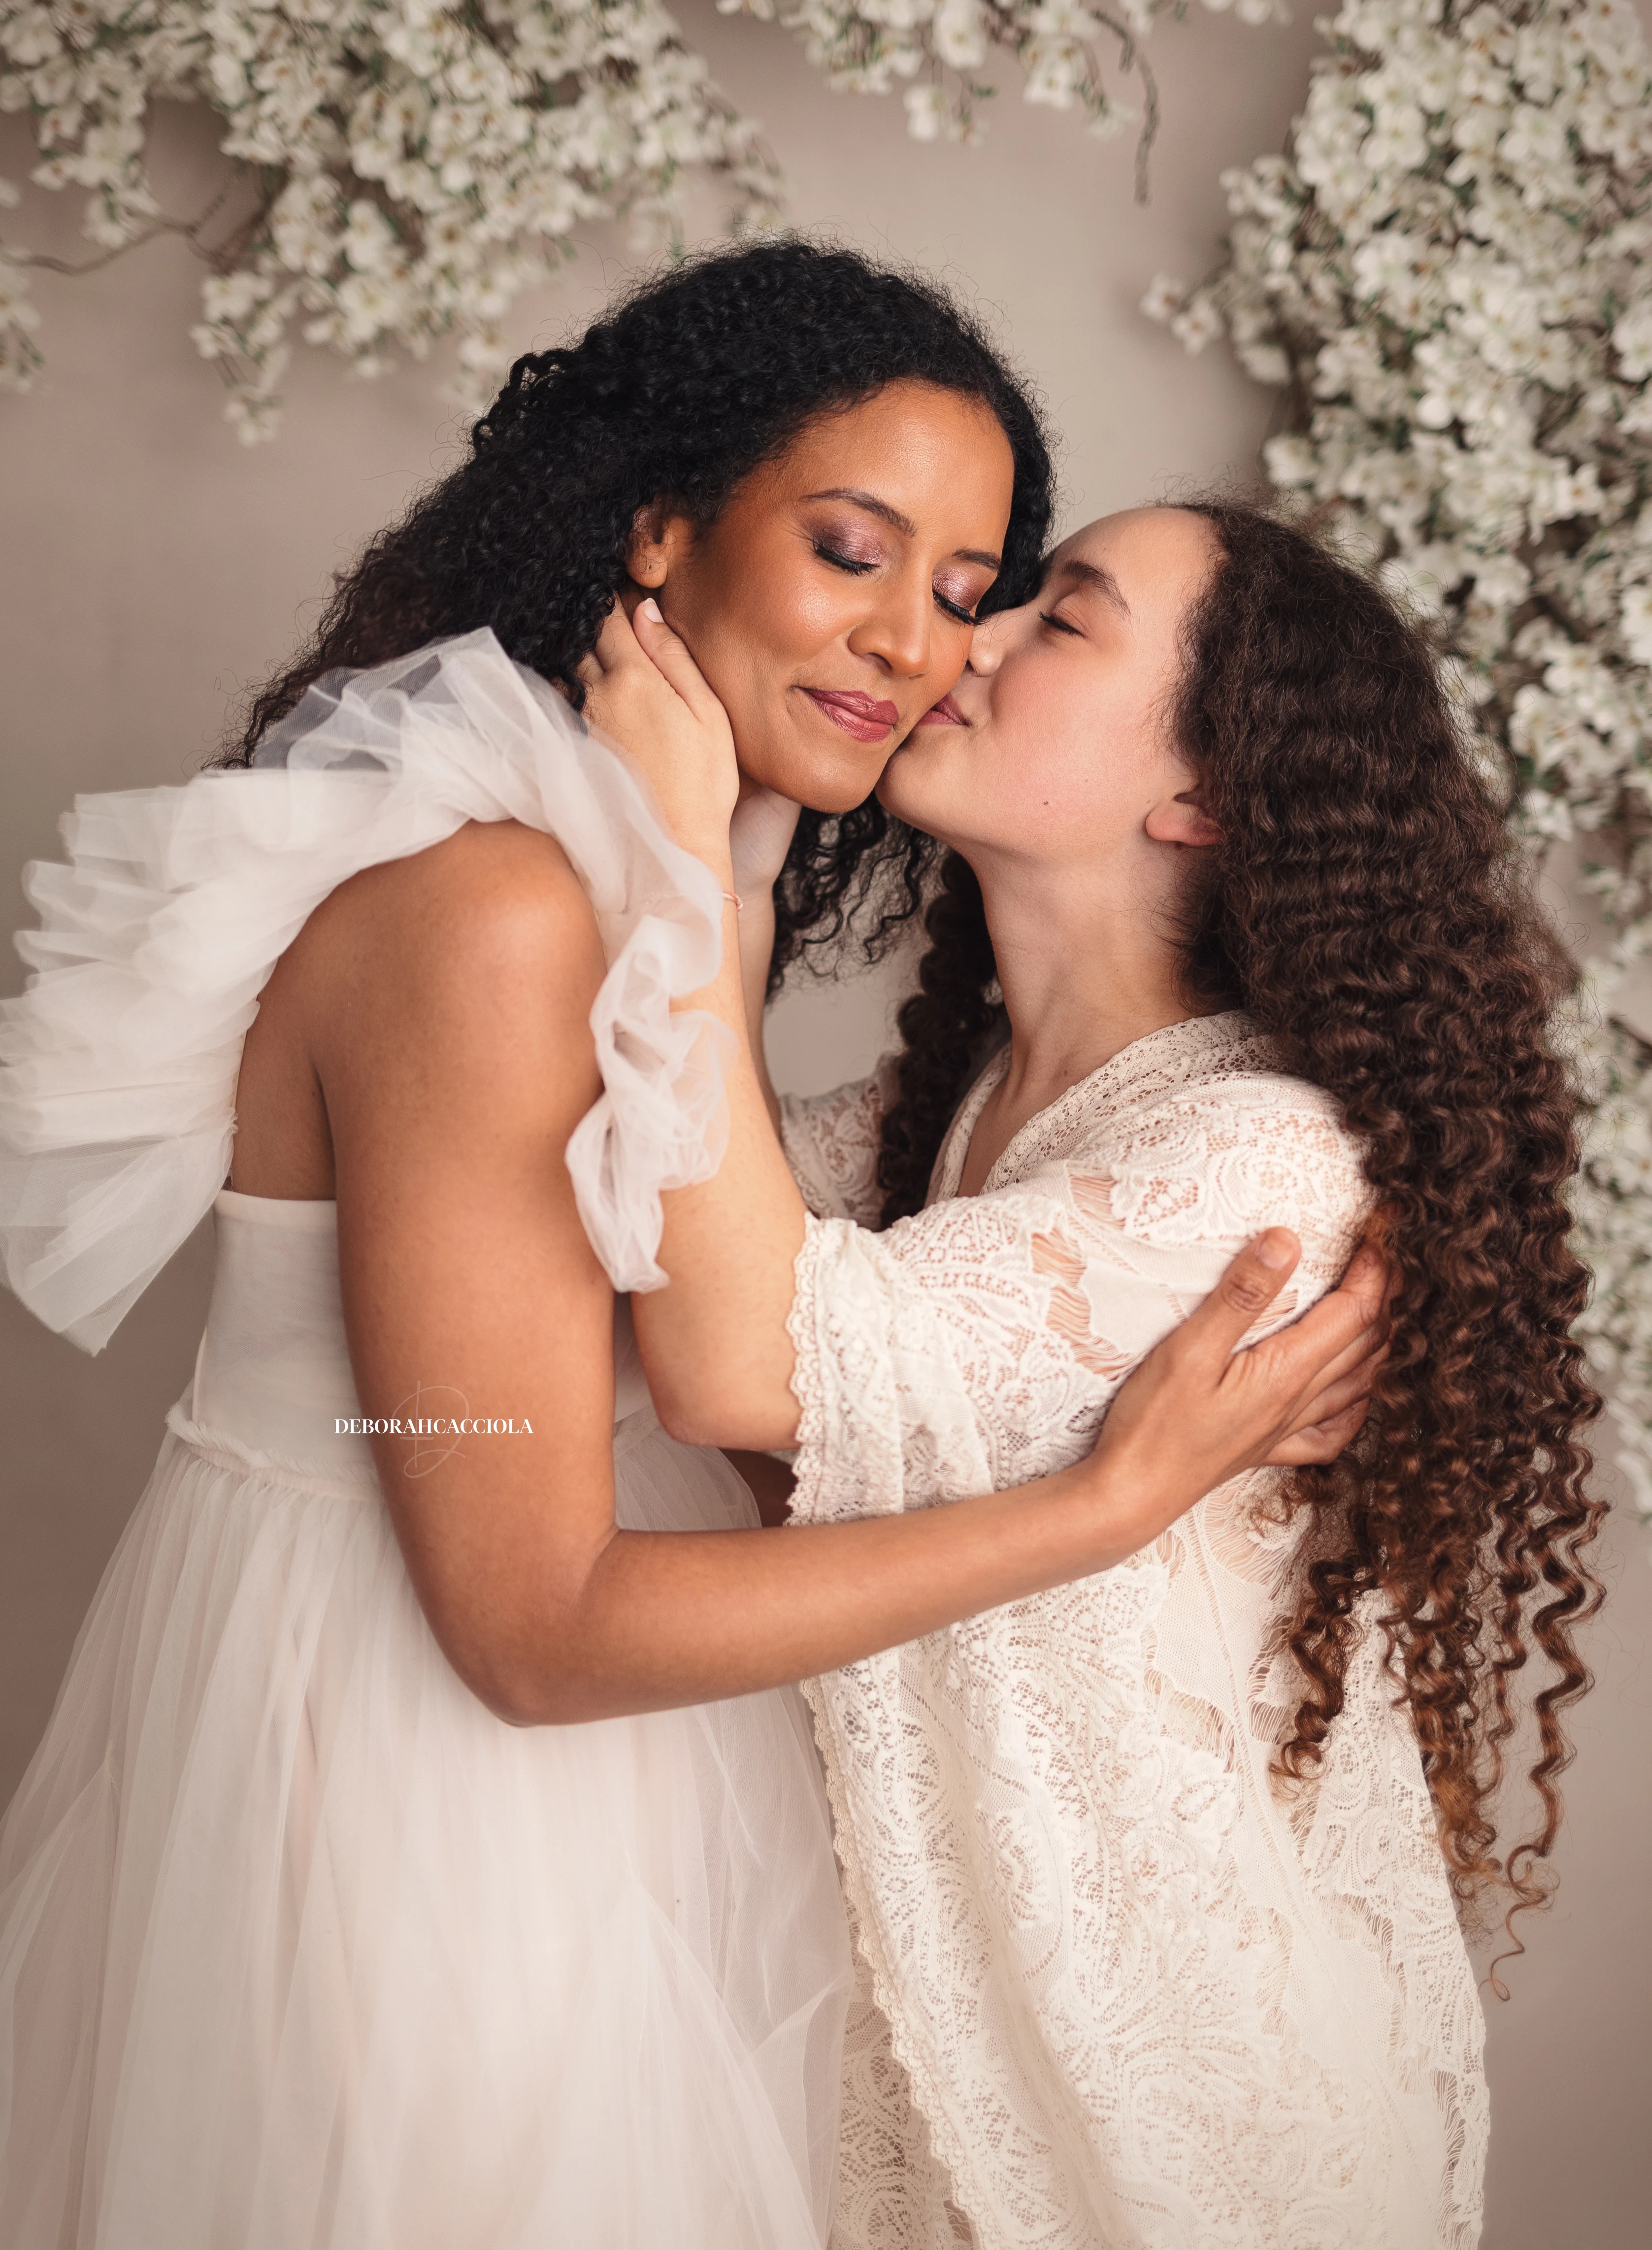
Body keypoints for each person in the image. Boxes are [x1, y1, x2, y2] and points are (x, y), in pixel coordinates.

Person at [0, 247, 1384, 2250]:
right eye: (851, 549)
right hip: (426, 1809)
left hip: (601, 1799)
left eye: (974, 589)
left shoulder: (635, 916)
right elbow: (537, 1623)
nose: (921, 644)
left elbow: (760, 1354)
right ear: (662, 530)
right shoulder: (499, 919)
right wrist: (1105, 1506)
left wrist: (697, 879)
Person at [586, 497, 1606, 2250]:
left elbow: (739, 1363)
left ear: (1201, 795)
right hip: (941, 2036)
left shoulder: (1265, 1166)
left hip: (1170, 2097)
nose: (962, 638)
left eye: (1060, 620)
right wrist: (732, 874)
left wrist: (683, 860)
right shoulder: (960, 1115)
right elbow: (661, 1267)